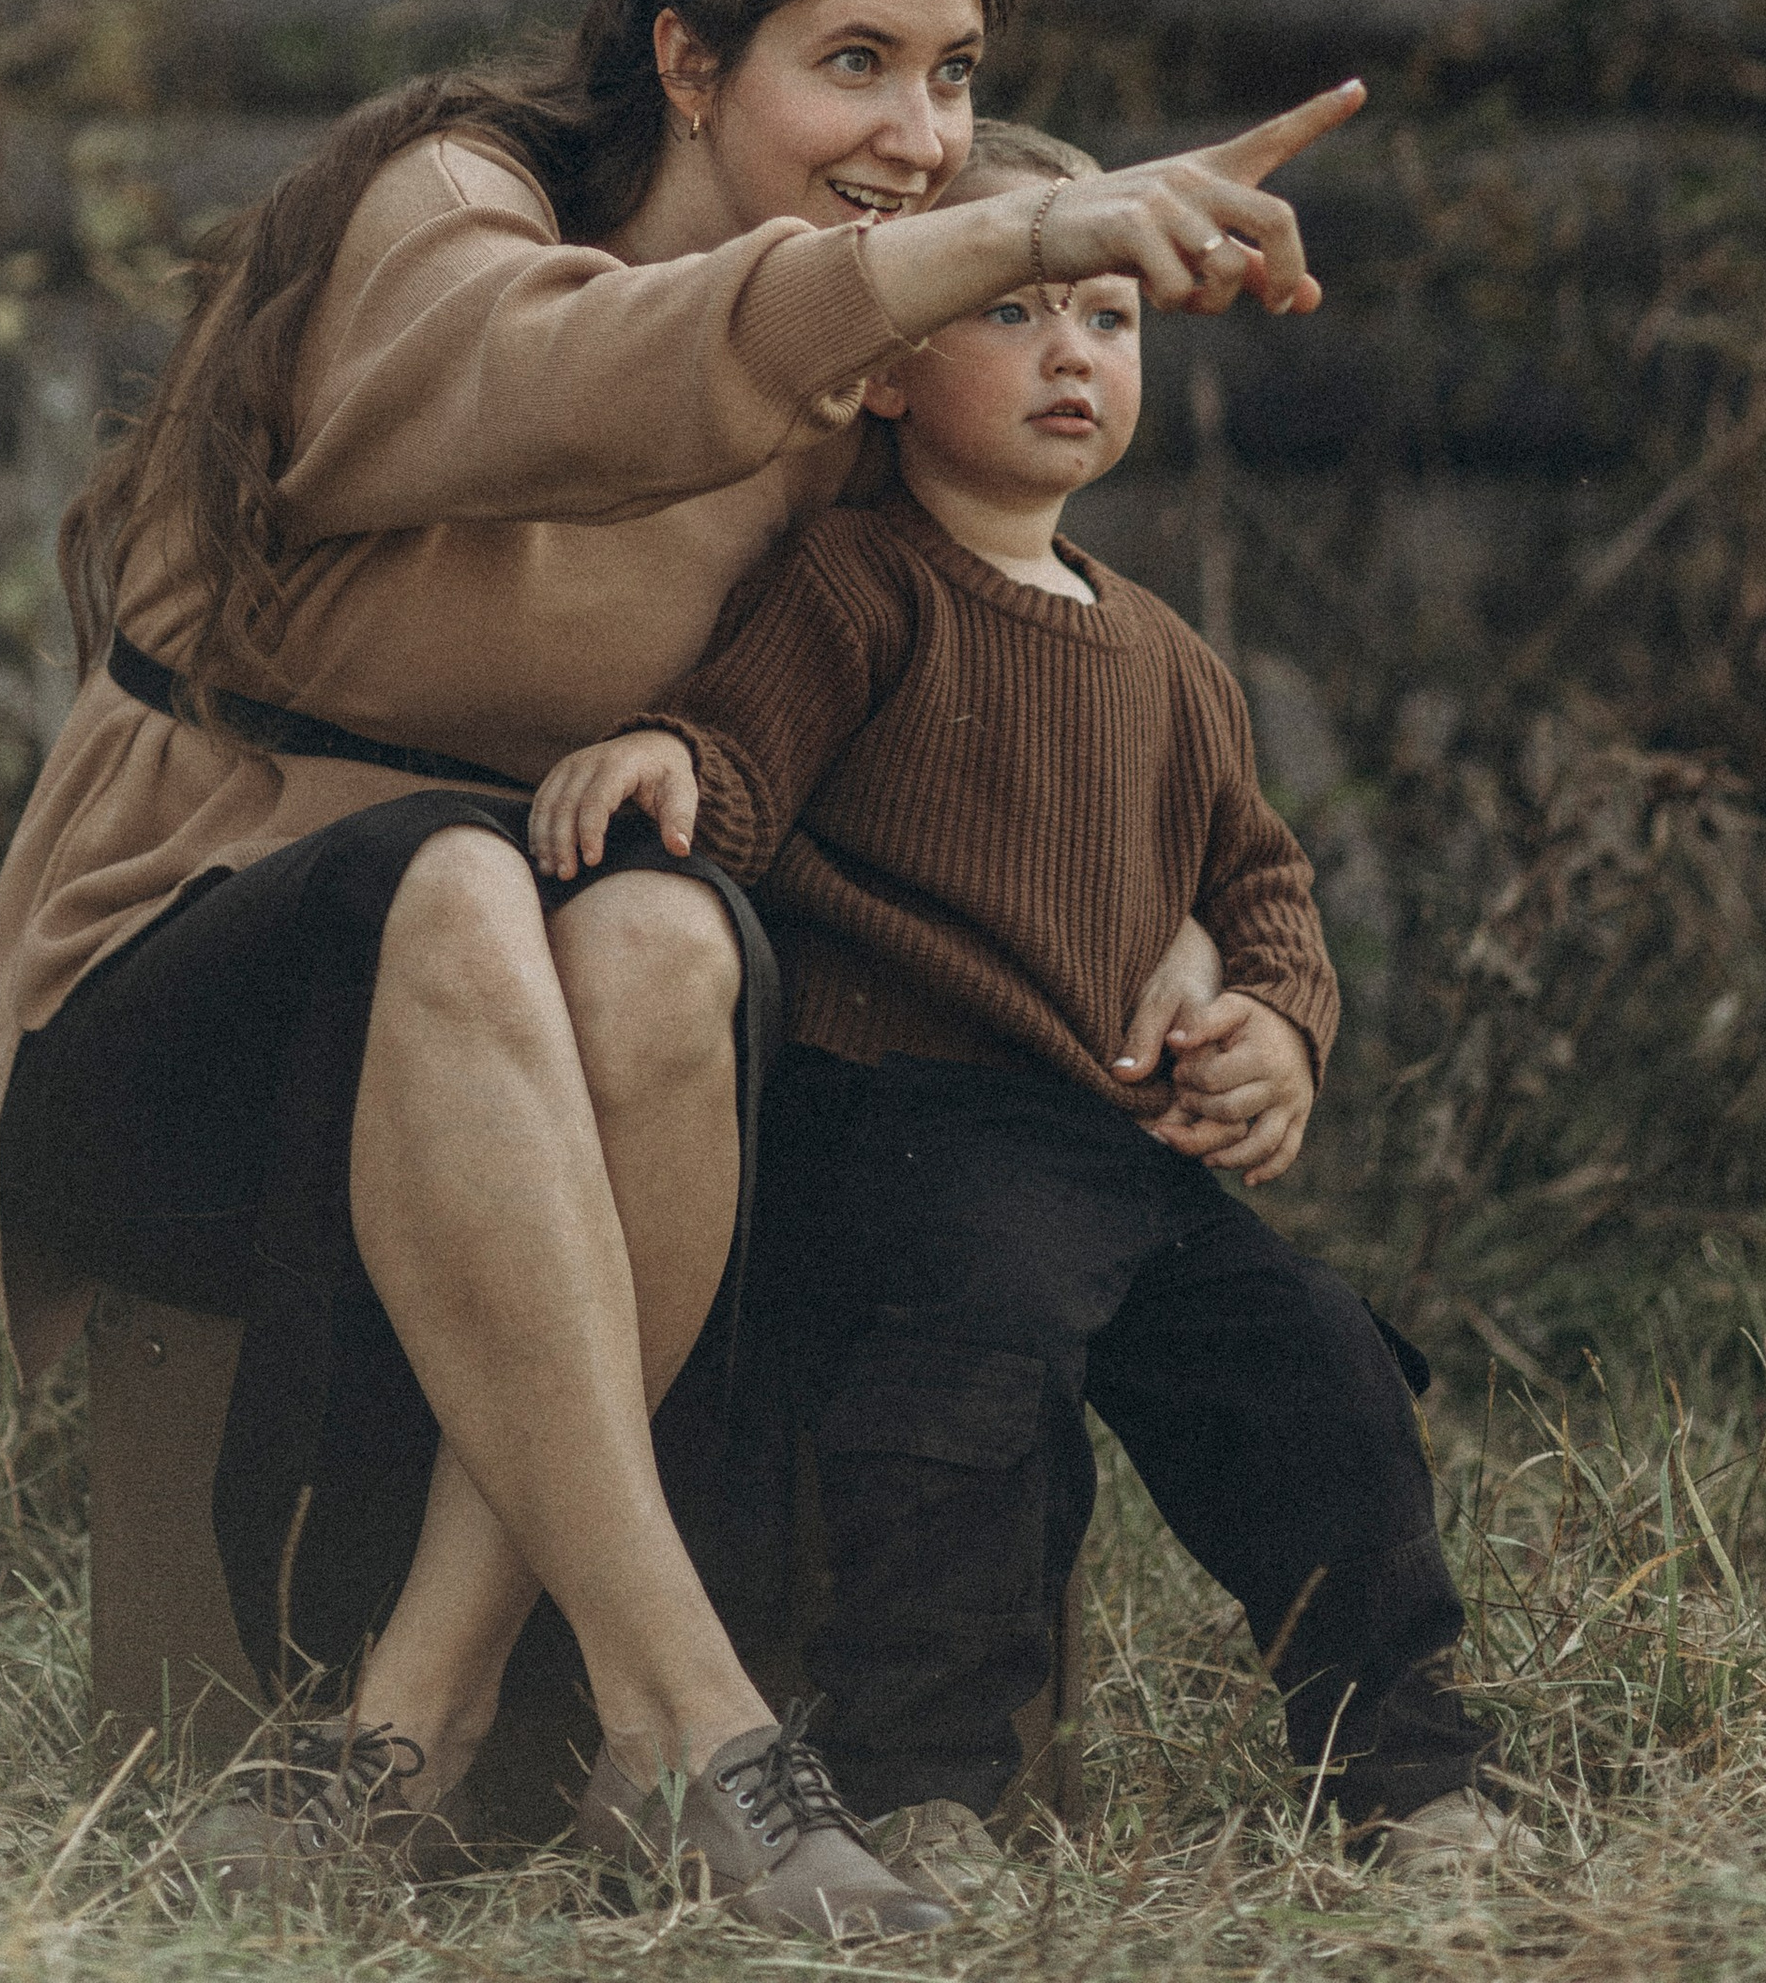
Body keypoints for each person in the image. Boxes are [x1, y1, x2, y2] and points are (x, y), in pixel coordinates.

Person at [0, 0, 1364, 1924]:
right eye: (855, 62)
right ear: (685, 60)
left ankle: (407, 1724)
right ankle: (702, 1726)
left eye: (955, 76)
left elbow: (964, 685)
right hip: (185, 1007)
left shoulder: (841, 376)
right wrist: (1008, 237)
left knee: (655, 936)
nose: (918, 134)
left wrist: (1186, 938)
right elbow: (587, 380)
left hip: (528, 1045)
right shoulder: (451, 214)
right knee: (454, 878)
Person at [528, 120, 1508, 1870]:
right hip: (905, 1118)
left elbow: (1261, 884)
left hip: (1123, 1151)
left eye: (1109, 322)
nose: (1073, 354)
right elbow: (742, 762)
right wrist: (668, 754)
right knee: (965, 1401)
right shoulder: (862, 585)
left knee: (1322, 1374)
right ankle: (918, 1784)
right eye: (1015, 313)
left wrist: (1280, 1028)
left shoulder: (1170, 658)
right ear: (889, 373)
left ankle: (1404, 1769)